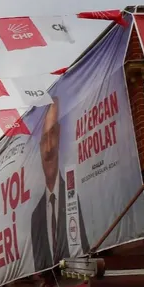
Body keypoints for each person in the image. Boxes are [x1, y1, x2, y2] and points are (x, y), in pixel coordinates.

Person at [31, 97, 89, 272]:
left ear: (61, 135)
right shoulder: (36, 216)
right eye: (43, 140)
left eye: (53, 135)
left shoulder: (79, 195)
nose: (48, 148)